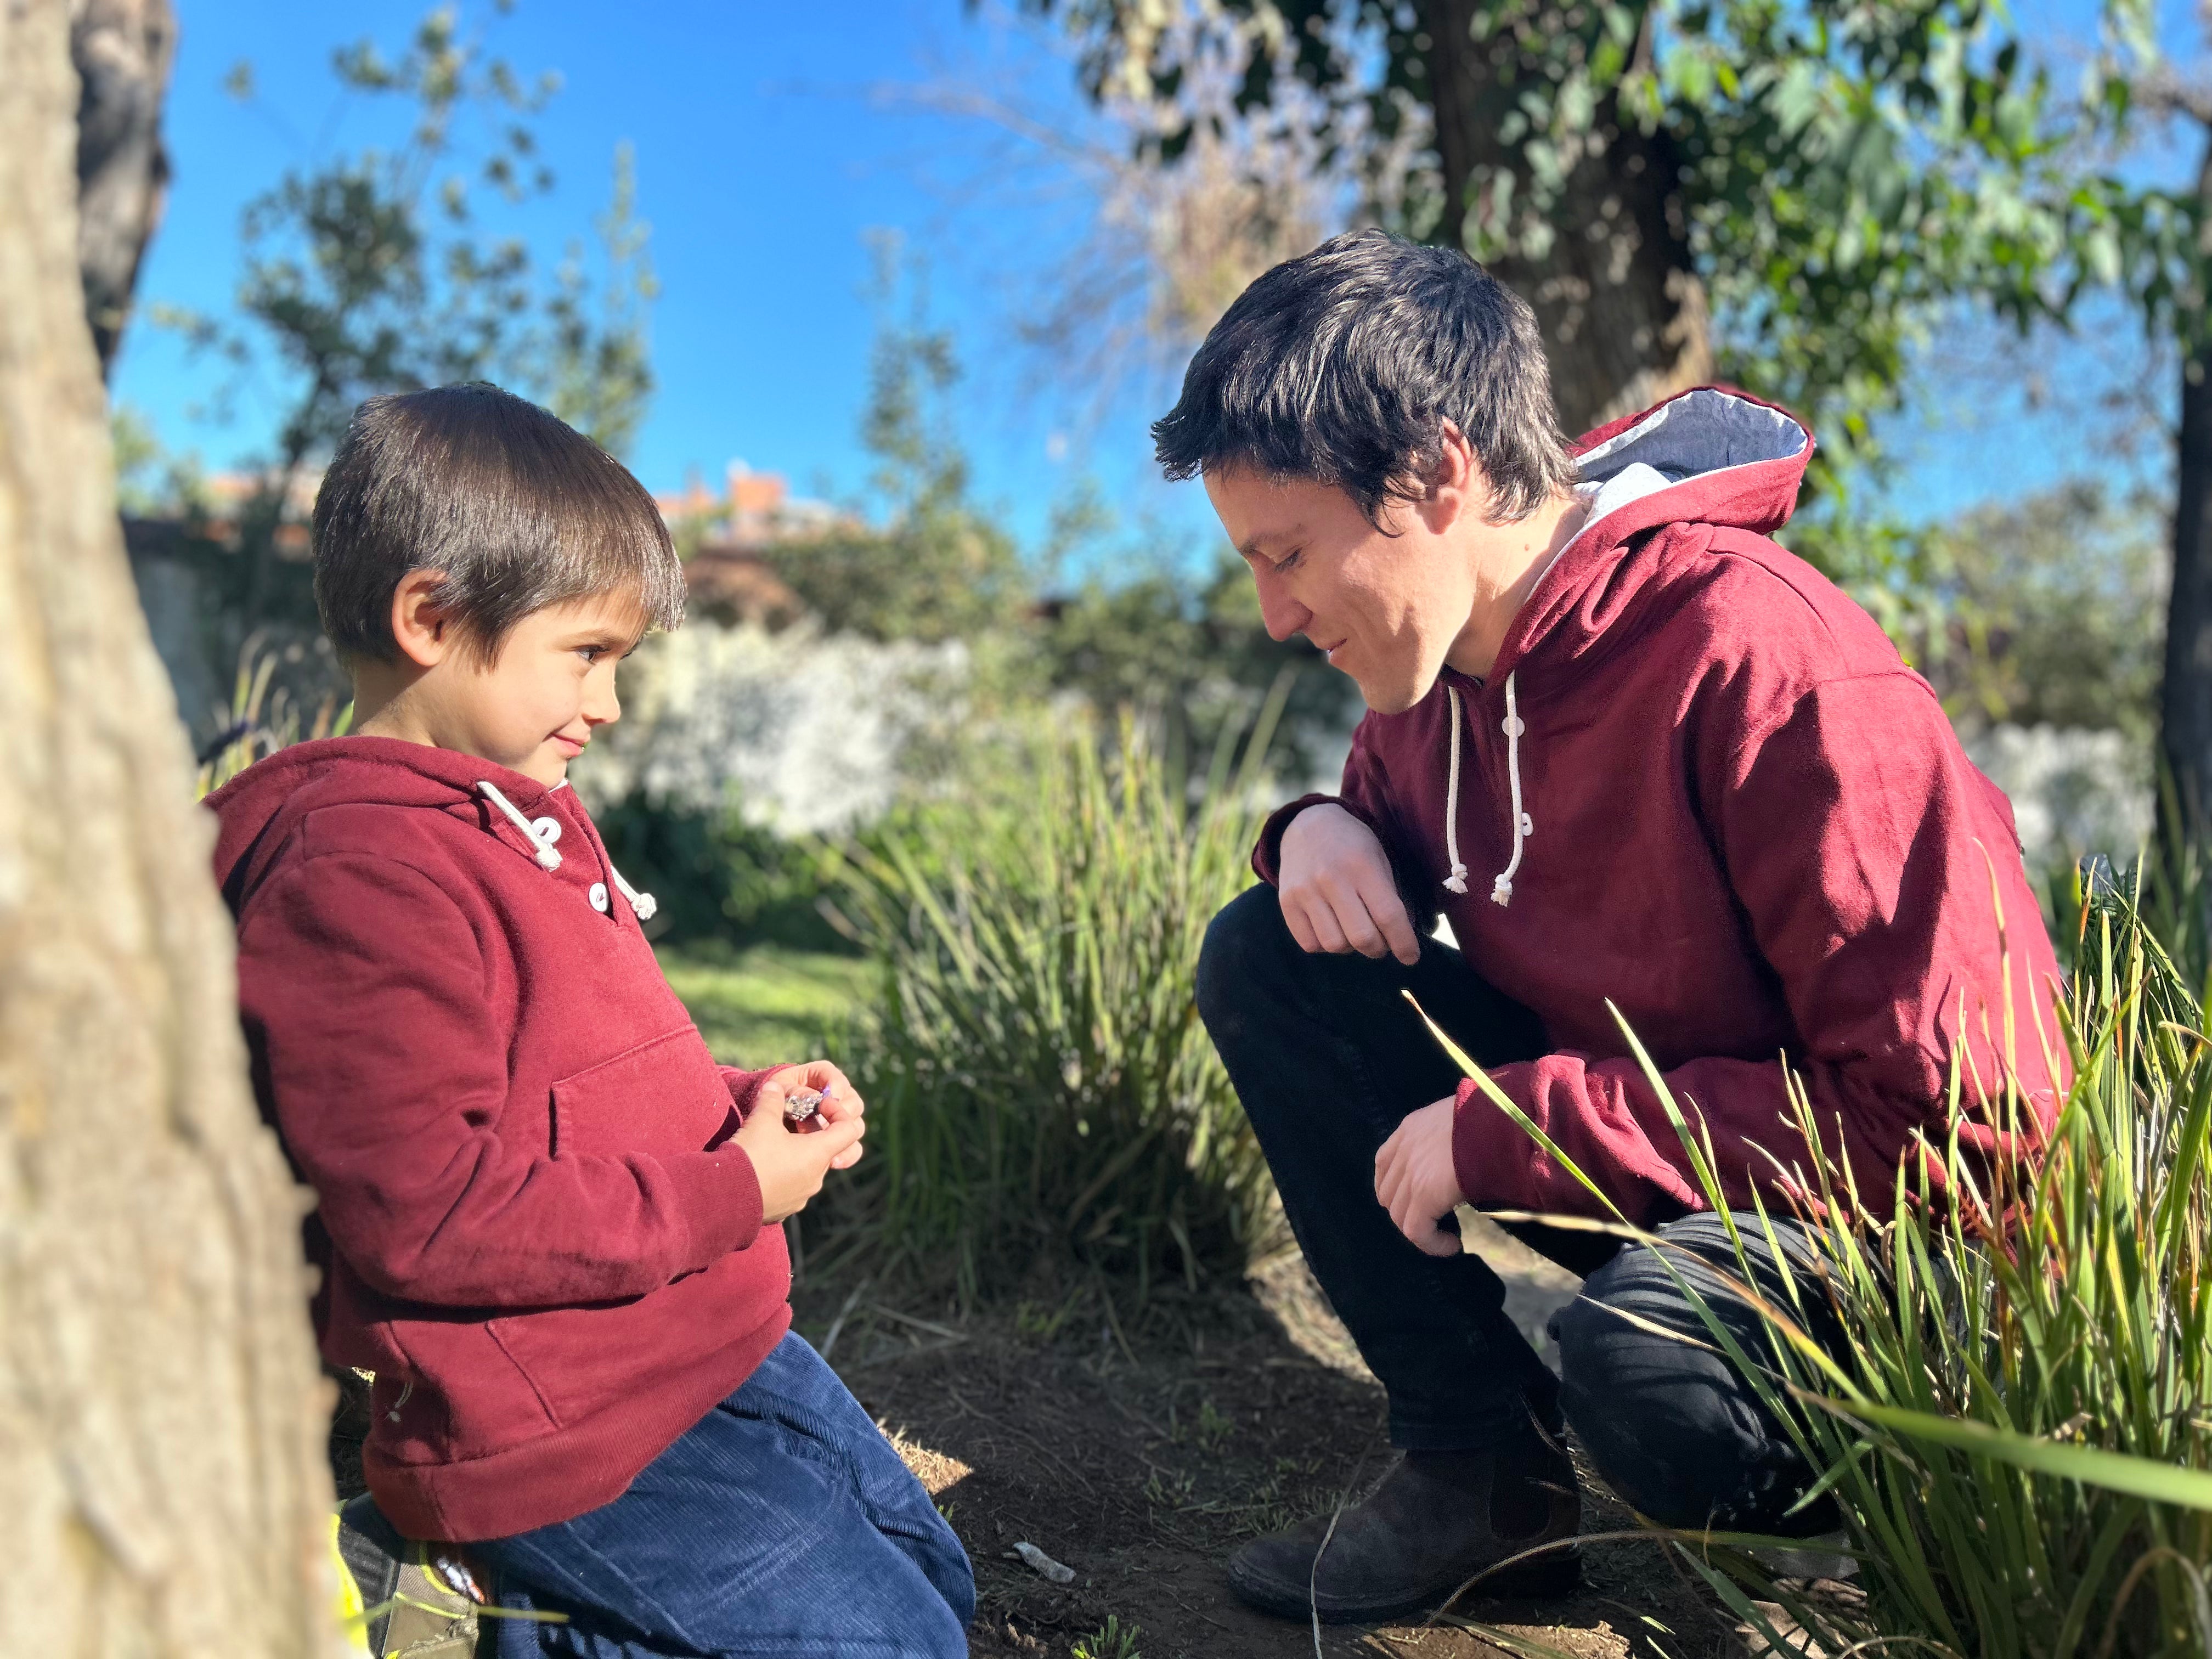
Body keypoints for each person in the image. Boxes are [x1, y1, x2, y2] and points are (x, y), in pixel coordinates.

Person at [1173, 232, 2063, 1624]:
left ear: (1439, 475)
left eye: (1288, 555)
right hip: (1667, 1174)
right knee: (1268, 957)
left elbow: (1958, 1128)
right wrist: (1309, 830)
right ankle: (1478, 1477)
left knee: (1650, 1363)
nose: (1277, 615)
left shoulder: (1773, 664)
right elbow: (1364, 867)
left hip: (1897, 1253)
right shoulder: (1422, 699)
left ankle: (1941, 1534)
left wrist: (1521, 1129)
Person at [207, 383, 973, 1657]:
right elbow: (430, 1213)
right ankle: (453, 1618)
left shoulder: (517, 820)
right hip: (553, 1415)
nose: (609, 706)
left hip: (703, 1331)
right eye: (587, 655)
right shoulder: (356, 876)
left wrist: (733, 1098)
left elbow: (576, 1074)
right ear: (433, 619)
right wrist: (735, 1193)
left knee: (929, 1589)